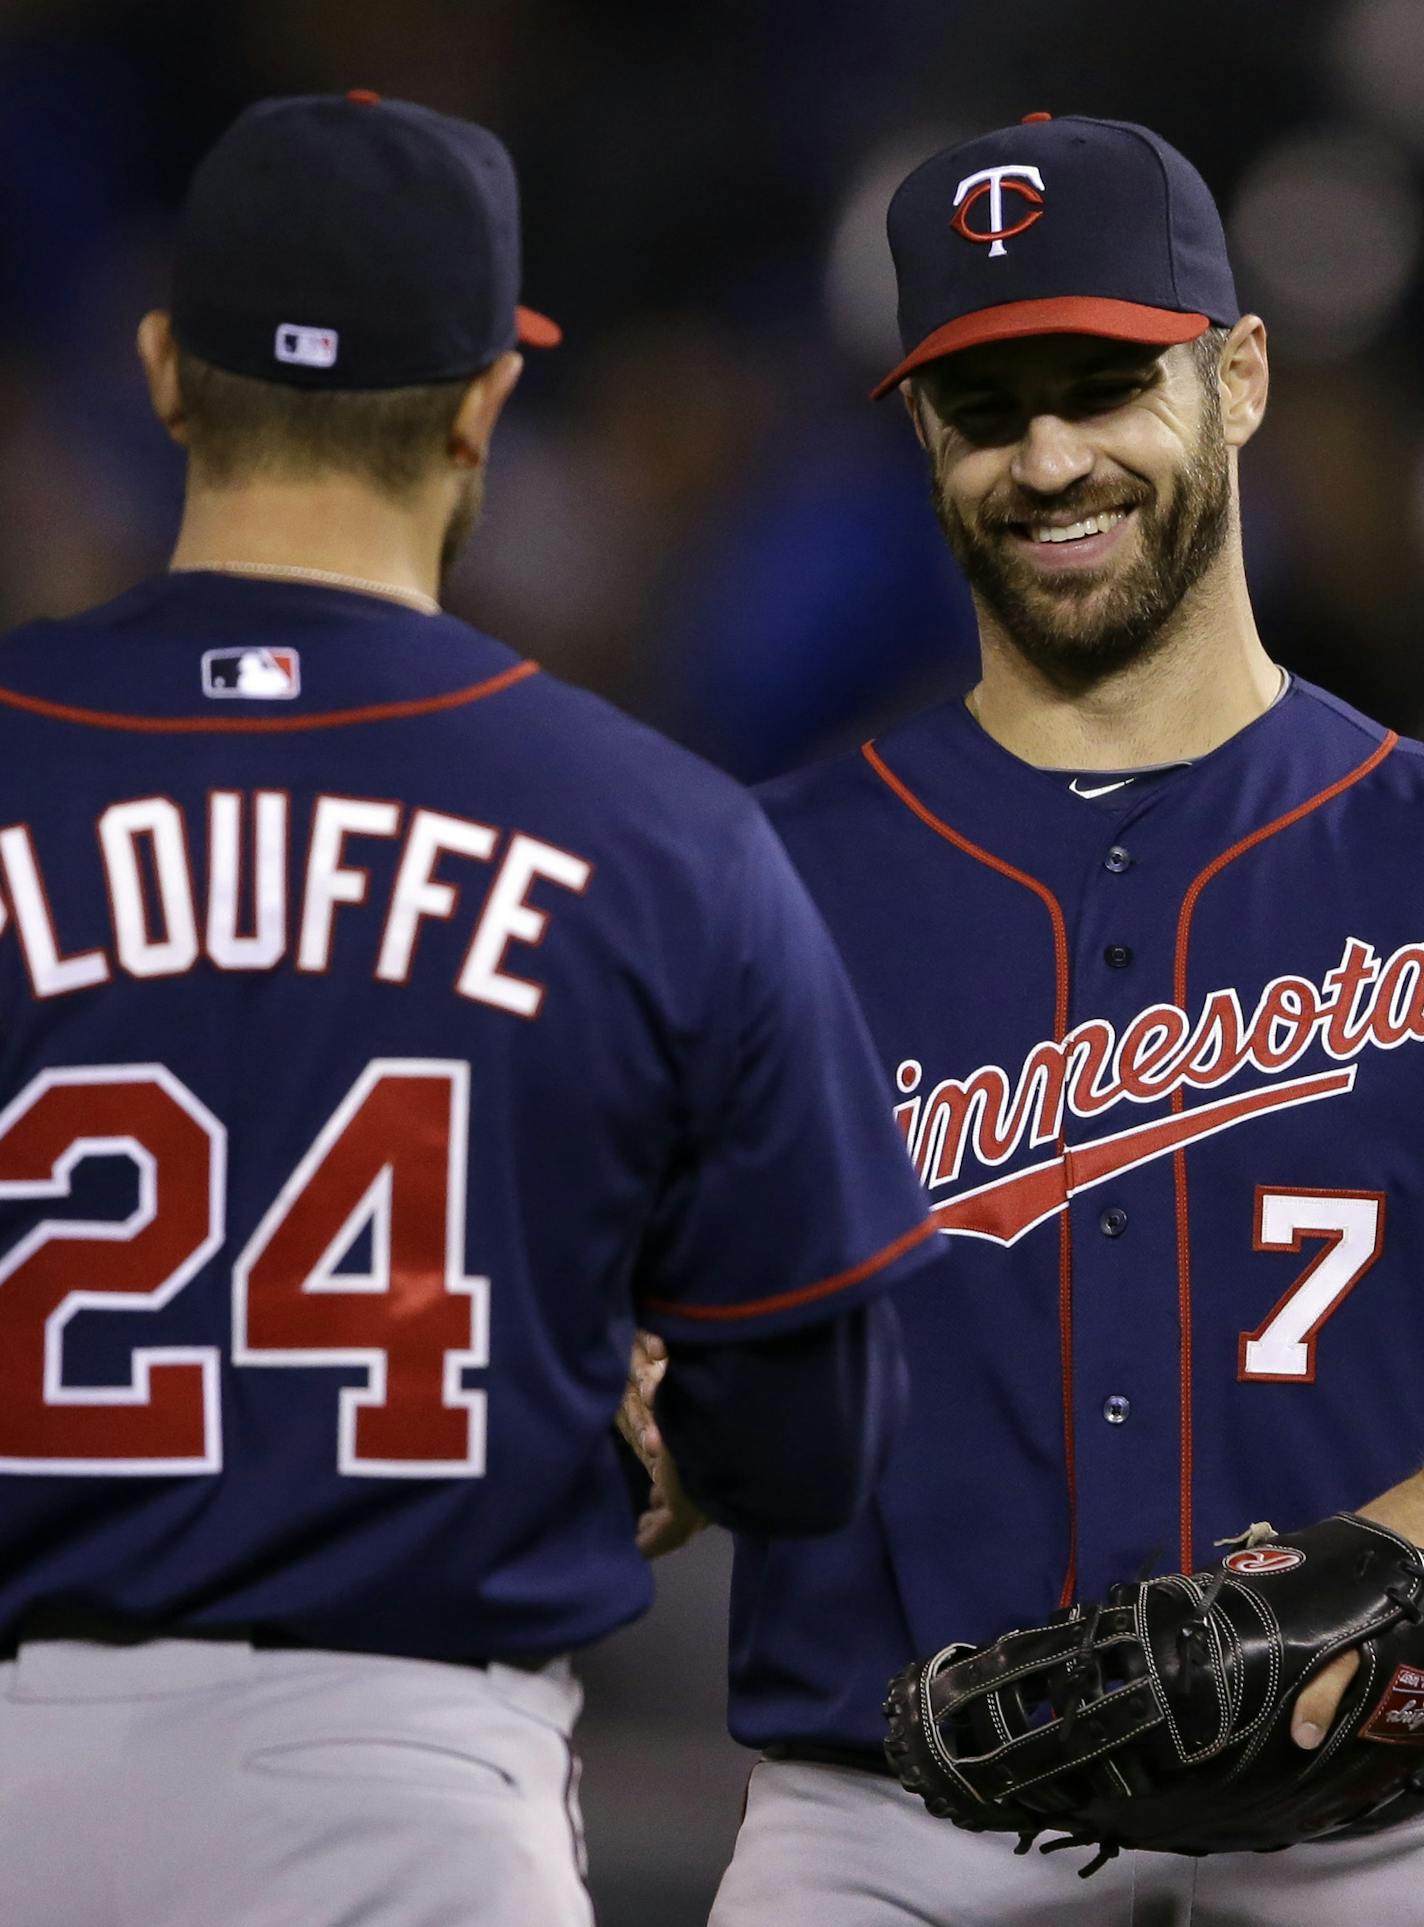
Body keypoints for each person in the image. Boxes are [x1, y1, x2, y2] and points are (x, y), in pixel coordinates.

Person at [0, 93, 936, 1927]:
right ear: (484, 402)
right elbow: (814, 1438)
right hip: (402, 1783)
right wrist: (654, 1430)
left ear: (166, 373)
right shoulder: (656, 830)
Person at [645, 111, 1424, 1924]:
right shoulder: (754, 881)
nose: (1051, 456)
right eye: (988, 407)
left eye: (1103, 382)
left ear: (1237, 377)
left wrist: (1385, 1560)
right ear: (923, 433)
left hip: (1372, 1831)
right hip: (889, 1829)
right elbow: (645, 1402)